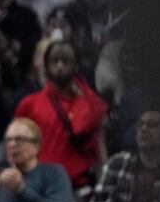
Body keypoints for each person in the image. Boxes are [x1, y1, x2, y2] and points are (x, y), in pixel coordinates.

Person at [15, 41, 107, 189]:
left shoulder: (92, 103)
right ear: (46, 66)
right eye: (54, 61)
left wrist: (104, 179)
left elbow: (94, 138)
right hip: (41, 187)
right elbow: (16, 145)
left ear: (76, 65)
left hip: (79, 185)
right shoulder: (29, 104)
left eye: (66, 61)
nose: (59, 66)